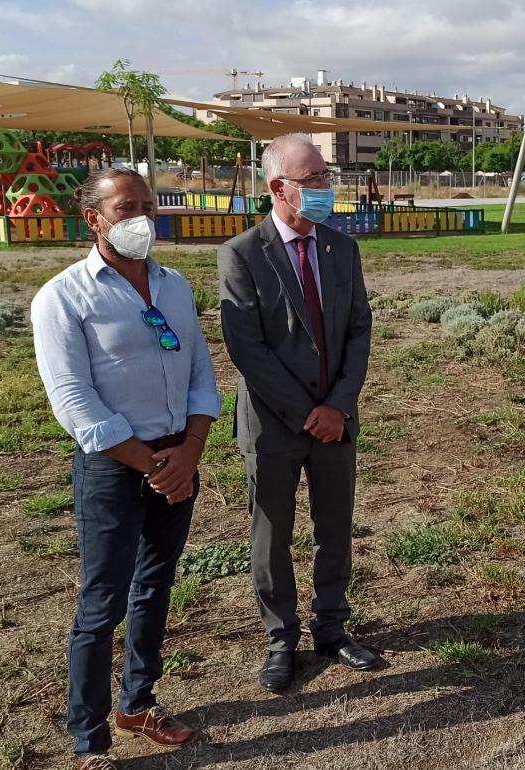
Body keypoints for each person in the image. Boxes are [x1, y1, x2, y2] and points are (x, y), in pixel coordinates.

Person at [31, 168, 221, 770]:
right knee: (101, 604)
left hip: (177, 458)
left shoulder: (174, 286)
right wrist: (151, 464)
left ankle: (138, 702)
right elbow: (74, 401)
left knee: (155, 587)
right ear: (94, 218)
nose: (142, 216)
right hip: (113, 467)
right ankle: (90, 742)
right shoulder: (63, 296)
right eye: (127, 207)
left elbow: (200, 373)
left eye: (149, 204)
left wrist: (188, 453)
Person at [218, 134, 379, 695]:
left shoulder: (341, 248)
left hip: (335, 421)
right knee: (273, 536)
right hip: (274, 425)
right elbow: (247, 349)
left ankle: (331, 629)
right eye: (311, 181)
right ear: (277, 189)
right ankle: (280, 639)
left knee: (334, 529)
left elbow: (359, 329)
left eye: (325, 178)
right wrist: (307, 411)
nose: (323, 190)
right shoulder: (241, 255)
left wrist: (337, 405)